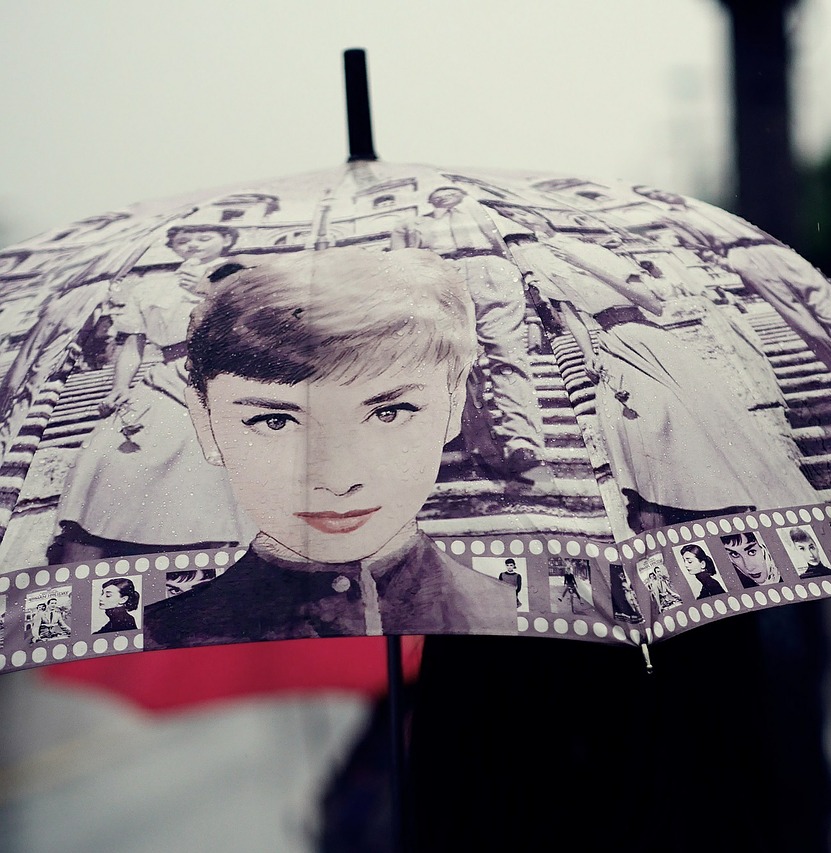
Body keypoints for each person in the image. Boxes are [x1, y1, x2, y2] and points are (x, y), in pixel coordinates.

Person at [143, 248, 514, 649]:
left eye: (390, 413)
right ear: (205, 424)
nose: (338, 480)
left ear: (454, 404)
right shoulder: (168, 634)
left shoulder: (504, 612)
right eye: (276, 421)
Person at [487, 201, 817, 532]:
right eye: (512, 250)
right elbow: (572, 317)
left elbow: (652, 304)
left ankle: (726, 498)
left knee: (678, 418)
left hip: (649, 341)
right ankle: (679, 509)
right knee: (626, 426)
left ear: (532, 237)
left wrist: (586, 264)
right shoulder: (542, 275)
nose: (519, 256)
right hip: (611, 347)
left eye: (517, 245)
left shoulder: (587, 252)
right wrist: (588, 353)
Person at [629, 185, 831, 447]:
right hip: (747, 260)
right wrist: (731, 263)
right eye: (650, 195)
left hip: (779, 252)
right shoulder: (675, 221)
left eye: (657, 191)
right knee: (816, 336)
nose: (658, 195)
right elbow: (695, 252)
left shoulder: (715, 206)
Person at [53, 223, 255, 562]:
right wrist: (119, 387)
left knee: (210, 465)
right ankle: (84, 562)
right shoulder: (152, 287)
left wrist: (209, 291)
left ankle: (217, 558)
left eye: (204, 237)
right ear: (173, 246)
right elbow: (134, 342)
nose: (194, 244)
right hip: (166, 375)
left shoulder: (243, 275)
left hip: (224, 371)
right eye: (184, 239)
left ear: (226, 240)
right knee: (109, 456)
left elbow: (256, 326)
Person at [389, 186, 546, 482]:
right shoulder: (410, 224)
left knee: (509, 359)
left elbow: (521, 255)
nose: (445, 191)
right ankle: (481, 446)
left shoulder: (489, 213)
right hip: (440, 275)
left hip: (495, 272)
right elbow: (400, 265)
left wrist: (532, 314)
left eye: (451, 186)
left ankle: (523, 444)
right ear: (426, 195)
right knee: (459, 366)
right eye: (437, 187)